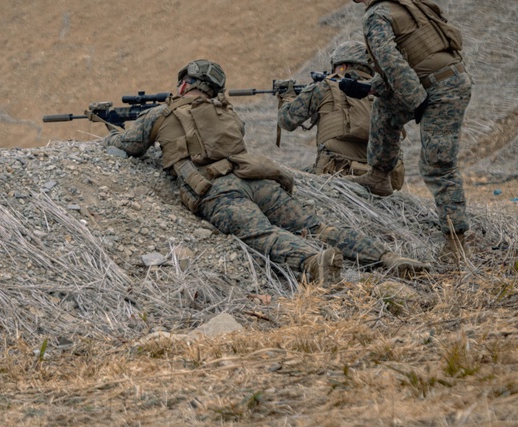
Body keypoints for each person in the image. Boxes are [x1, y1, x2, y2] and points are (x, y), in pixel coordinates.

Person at [101, 59, 429, 284]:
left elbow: (125, 146)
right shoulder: (227, 113)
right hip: (256, 179)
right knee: (314, 226)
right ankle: (385, 258)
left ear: (184, 86)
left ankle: (313, 262)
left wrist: (109, 125)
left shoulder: (160, 113)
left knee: (261, 234)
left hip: (218, 191)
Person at [338, 0, 472, 262]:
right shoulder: (402, 3)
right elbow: (402, 68)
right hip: (439, 84)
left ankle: (456, 243)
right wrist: (370, 89)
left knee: (438, 166)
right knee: (386, 107)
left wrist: (418, 103)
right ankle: (379, 176)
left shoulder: (376, 15)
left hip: (440, 91)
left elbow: (395, 65)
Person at [276, 39, 404, 190]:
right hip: (381, 179)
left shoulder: (326, 86)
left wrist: (288, 96)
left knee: (285, 180)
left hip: (334, 173)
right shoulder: (385, 92)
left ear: (343, 66)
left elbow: (286, 120)